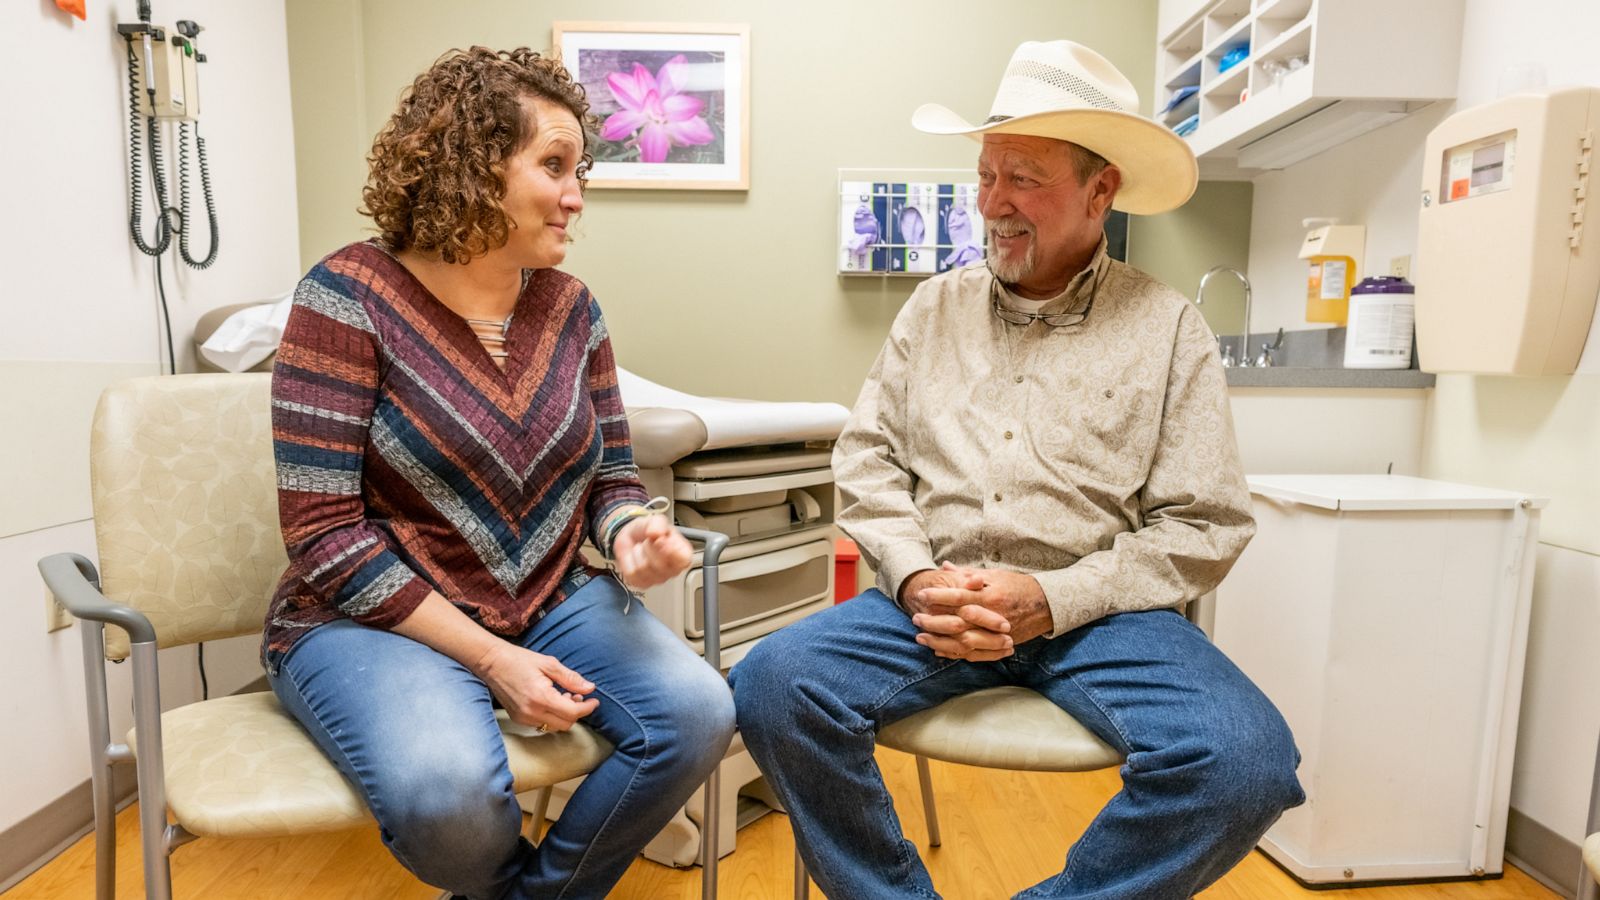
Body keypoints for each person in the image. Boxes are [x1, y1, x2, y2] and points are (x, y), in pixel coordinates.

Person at [731, 40, 1304, 899]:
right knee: (771, 685)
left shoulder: (1168, 326)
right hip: (936, 599)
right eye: (986, 174)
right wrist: (917, 575)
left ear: (1100, 191)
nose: (992, 204)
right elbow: (868, 456)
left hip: (1103, 614)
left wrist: (1053, 599)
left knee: (1248, 762)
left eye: (1024, 179)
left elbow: (1206, 523)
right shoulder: (934, 308)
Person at [263, 47, 735, 900]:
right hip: (377, 620)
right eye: (553, 166)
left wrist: (631, 535)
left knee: (699, 712)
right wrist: (490, 659)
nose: (577, 195)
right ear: (472, 167)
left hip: (552, 598)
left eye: (577, 168)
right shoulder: (346, 298)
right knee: (445, 797)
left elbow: (612, 479)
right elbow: (322, 536)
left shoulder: (572, 307)